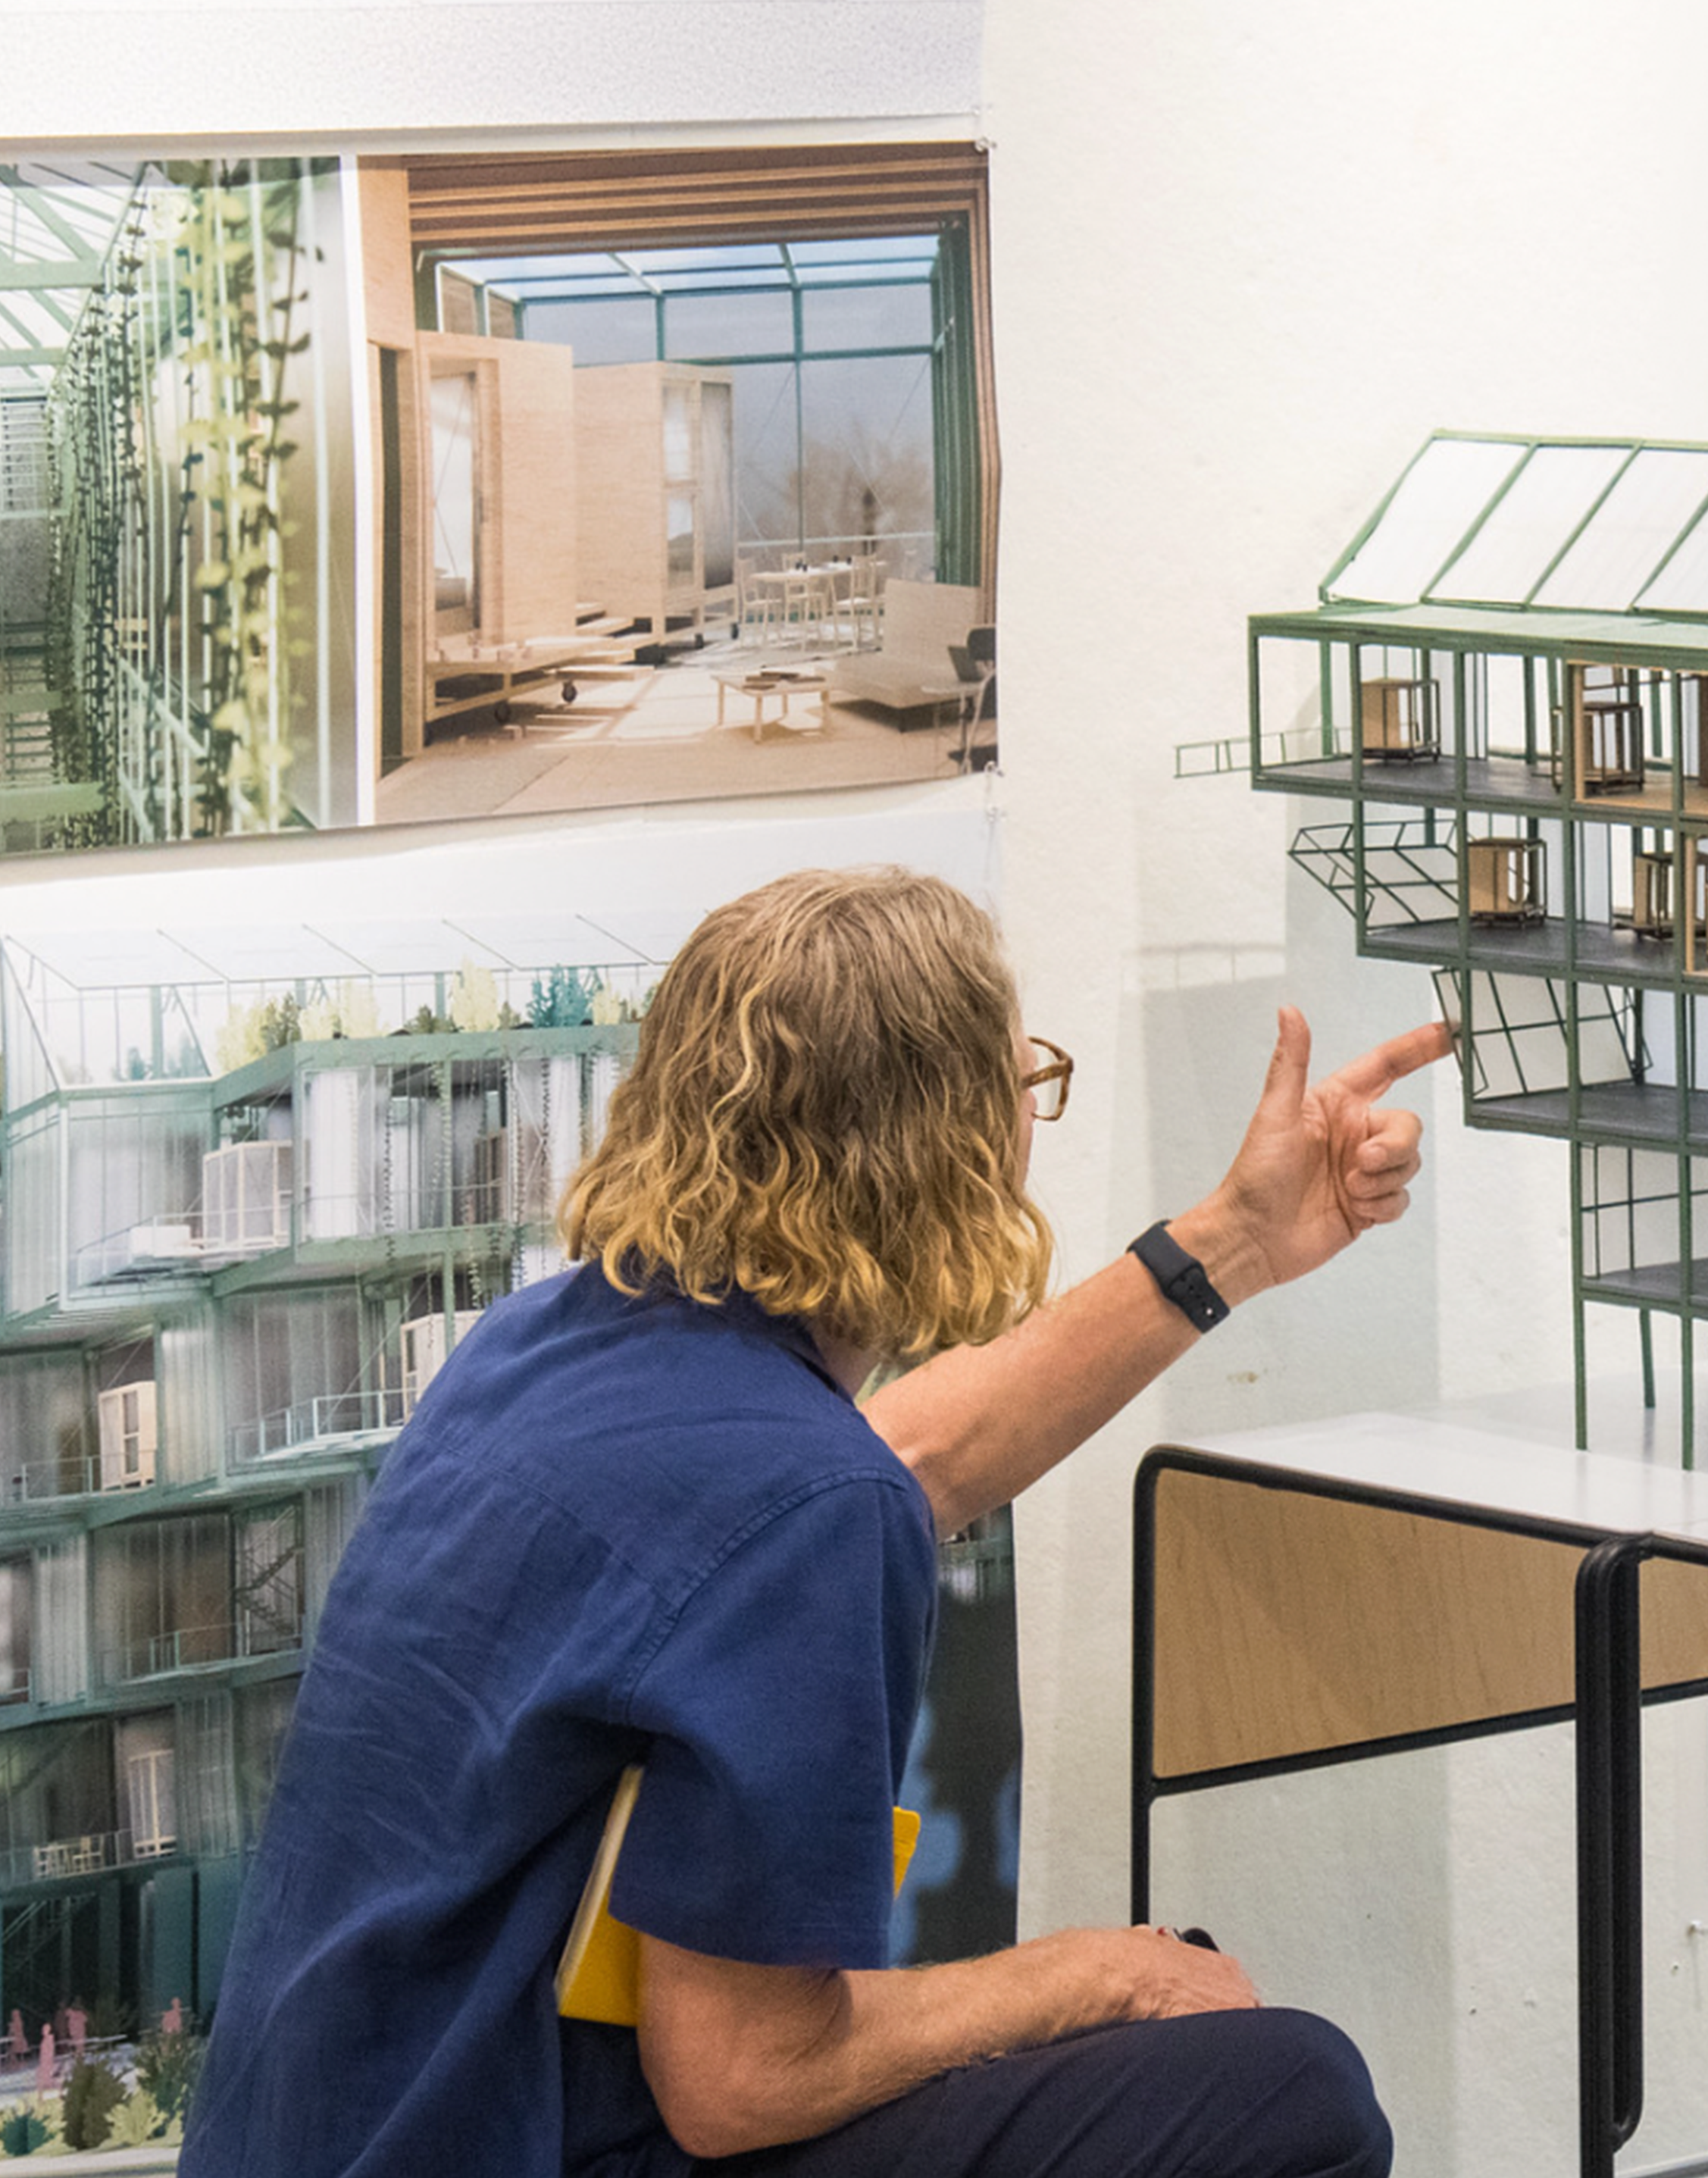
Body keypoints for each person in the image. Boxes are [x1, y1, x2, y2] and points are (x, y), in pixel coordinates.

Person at [183, 868, 1447, 2178]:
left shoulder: (542, 1349)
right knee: (1291, 2095)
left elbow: (896, 1458)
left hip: (339, 2132)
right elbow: (745, 2080)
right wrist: (1093, 1977)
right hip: (527, 2141)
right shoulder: (805, 1506)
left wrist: (1235, 1242)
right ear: (946, 1146)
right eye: (1021, 1083)